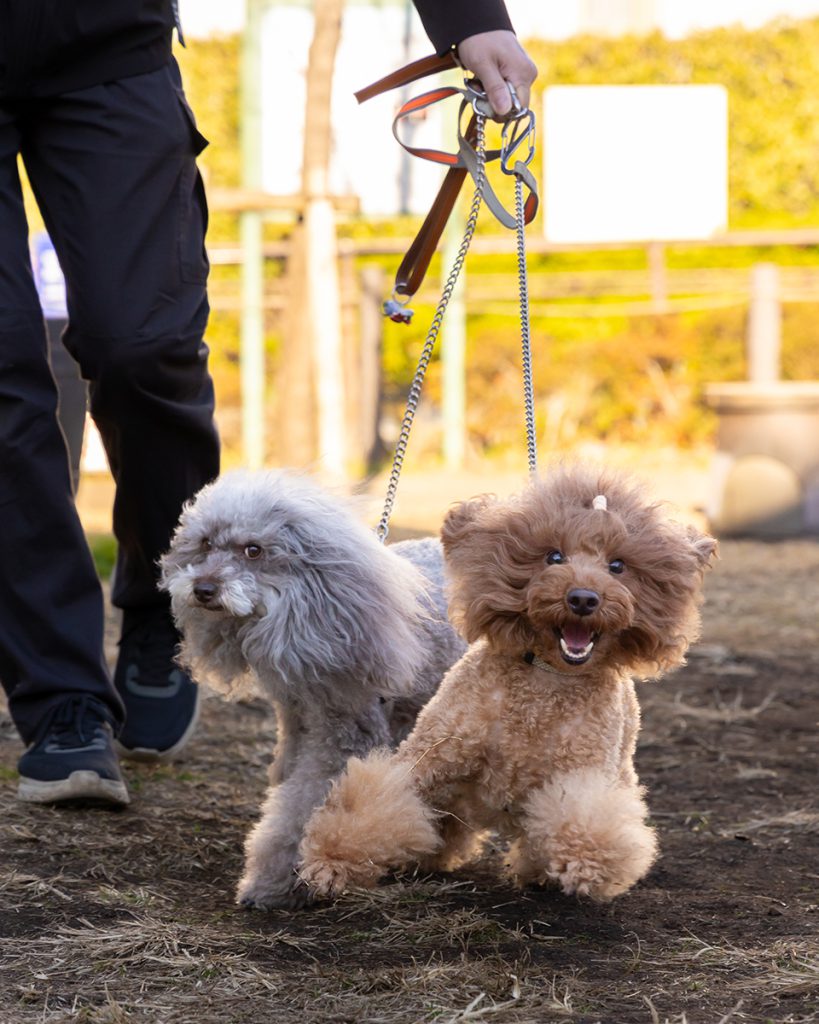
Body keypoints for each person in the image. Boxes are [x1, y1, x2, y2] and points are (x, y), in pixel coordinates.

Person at [0, 0, 536, 807]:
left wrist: (468, 15)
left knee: (141, 344)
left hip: (106, 42)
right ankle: (59, 699)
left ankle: (162, 600)